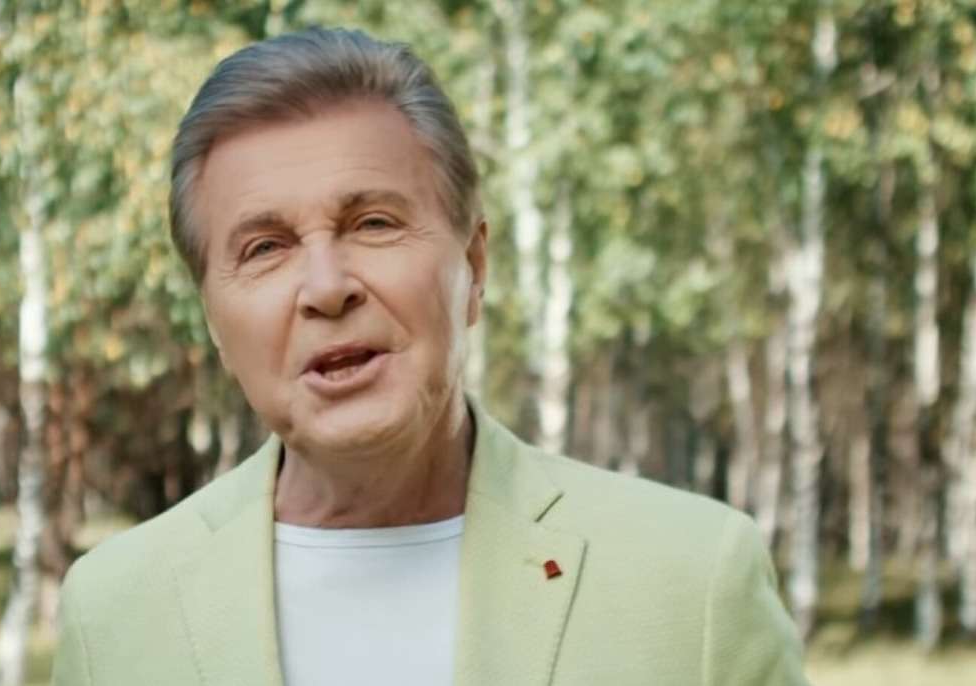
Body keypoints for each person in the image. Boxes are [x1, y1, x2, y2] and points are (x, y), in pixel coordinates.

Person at [52, 27, 808, 686]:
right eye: (265, 248)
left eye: (374, 223)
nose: (327, 288)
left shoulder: (694, 581)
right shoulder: (114, 610)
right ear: (214, 321)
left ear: (473, 266)